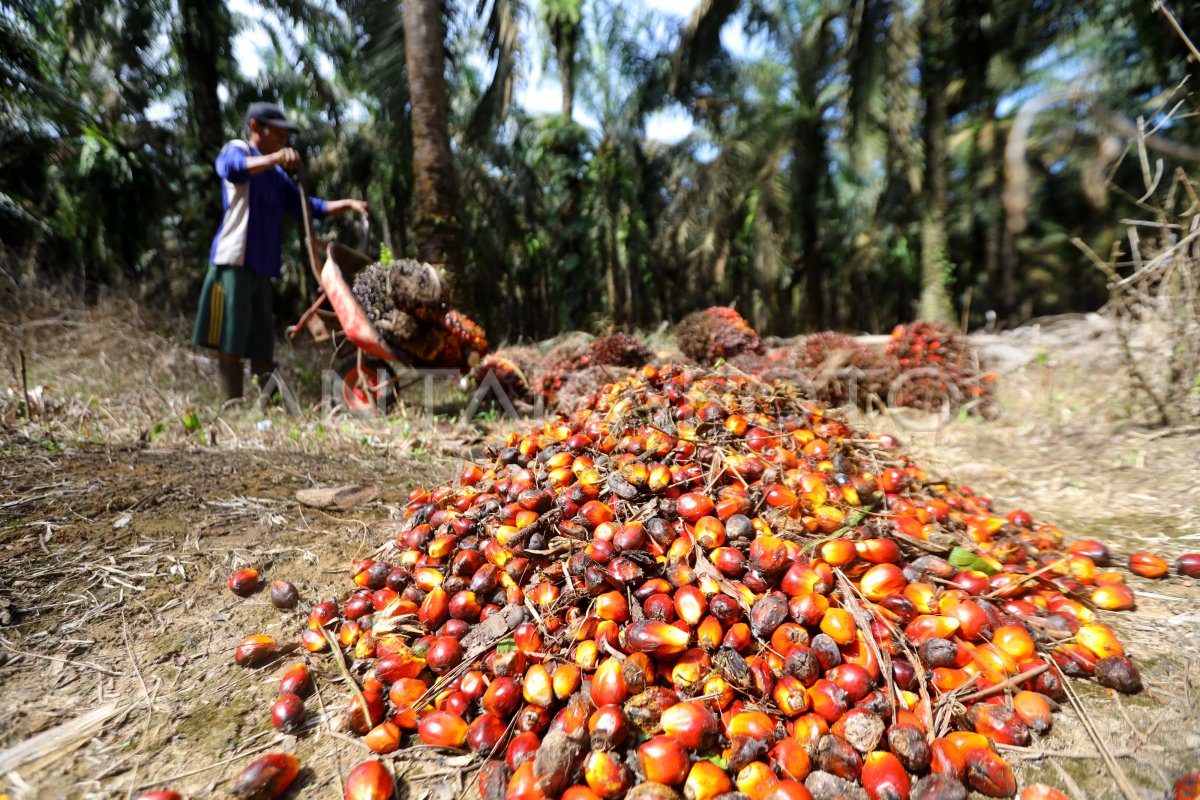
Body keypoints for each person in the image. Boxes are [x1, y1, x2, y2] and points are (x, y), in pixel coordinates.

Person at [192, 101, 369, 402]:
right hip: (234, 260)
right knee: (231, 336)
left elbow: (308, 207)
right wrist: (274, 158)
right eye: (277, 132)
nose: (283, 139)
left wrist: (348, 204)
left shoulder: (275, 176)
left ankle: (269, 404)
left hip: (262, 266)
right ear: (255, 128)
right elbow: (232, 171)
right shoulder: (238, 151)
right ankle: (231, 403)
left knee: (261, 341)